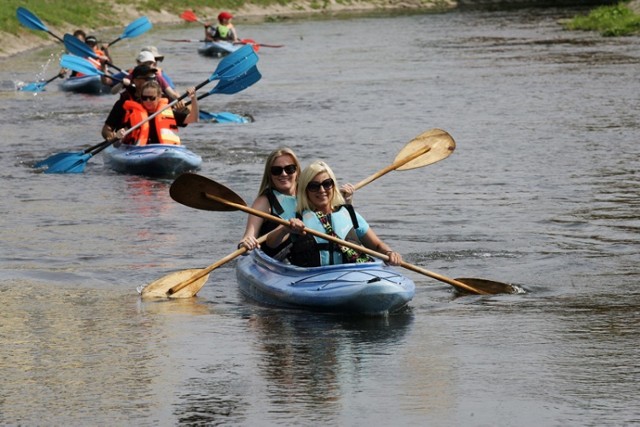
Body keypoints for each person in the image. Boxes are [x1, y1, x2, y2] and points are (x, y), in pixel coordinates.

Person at [265, 161, 401, 267]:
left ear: (333, 186)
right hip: (312, 280)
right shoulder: (298, 219)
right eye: (314, 186)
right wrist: (285, 229)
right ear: (305, 191)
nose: (322, 190)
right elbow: (271, 244)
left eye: (327, 184)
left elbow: (377, 245)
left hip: (350, 276)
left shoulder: (350, 215)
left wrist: (389, 253)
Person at [102, 64, 194, 143]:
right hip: (132, 148)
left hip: (160, 148)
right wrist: (113, 138)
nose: (152, 81)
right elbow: (106, 130)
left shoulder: (161, 98)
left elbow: (188, 115)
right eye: (147, 78)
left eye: (153, 78)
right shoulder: (124, 102)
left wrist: (184, 108)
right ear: (135, 81)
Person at [237, 148, 302, 258]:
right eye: (277, 170)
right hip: (274, 263)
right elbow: (247, 239)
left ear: (297, 171)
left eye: (289, 169)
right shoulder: (264, 202)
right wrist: (245, 244)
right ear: (269, 174)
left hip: (304, 261)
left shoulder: (311, 194)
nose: (284, 174)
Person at [110, 80, 198, 146]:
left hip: (165, 151)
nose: (148, 101)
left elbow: (193, 118)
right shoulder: (133, 115)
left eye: (152, 98)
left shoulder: (167, 113)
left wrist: (193, 99)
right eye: (145, 98)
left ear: (159, 97)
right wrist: (118, 137)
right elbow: (117, 144)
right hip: (139, 152)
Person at [106, 50, 179, 100]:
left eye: (150, 63)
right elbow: (113, 92)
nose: (148, 66)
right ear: (138, 62)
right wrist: (122, 83)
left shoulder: (157, 77)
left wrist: (181, 99)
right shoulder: (132, 76)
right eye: (145, 63)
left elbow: (172, 94)